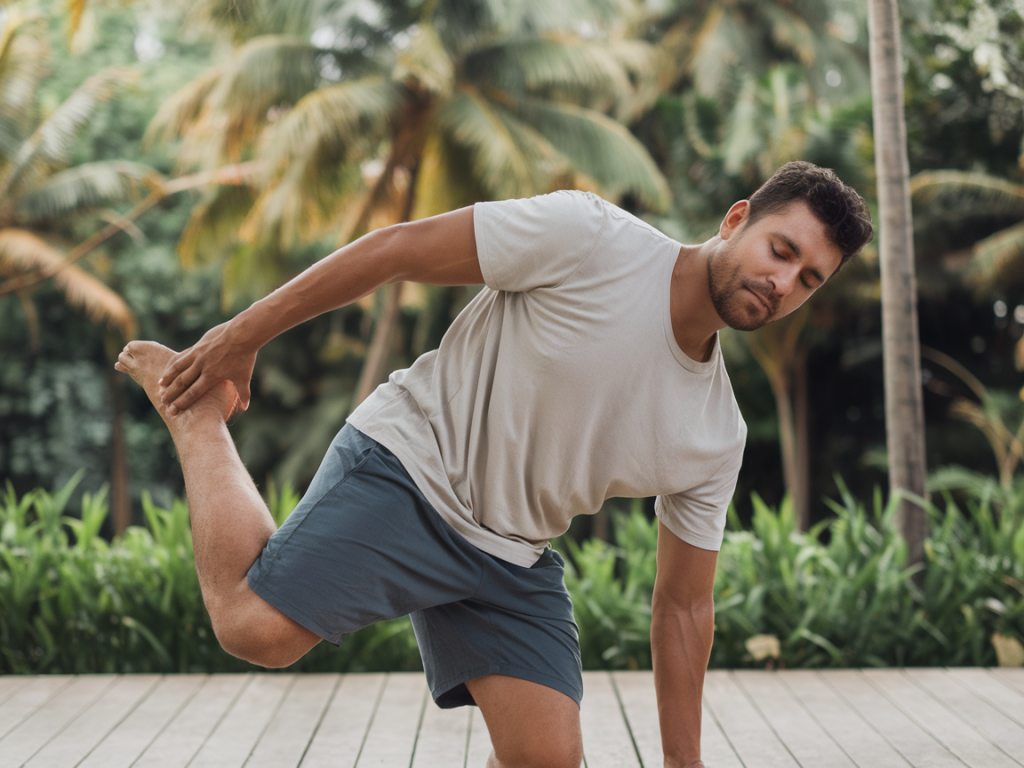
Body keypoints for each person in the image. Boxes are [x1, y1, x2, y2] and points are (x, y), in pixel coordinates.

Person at [115, 160, 872, 768]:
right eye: (782, 250)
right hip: (414, 467)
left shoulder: (716, 433)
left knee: (546, 758)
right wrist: (242, 337)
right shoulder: (592, 237)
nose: (783, 283)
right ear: (737, 219)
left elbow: (683, 608)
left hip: (510, 555)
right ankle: (196, 417)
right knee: (256, 631)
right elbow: (396, 251)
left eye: (809, 279)